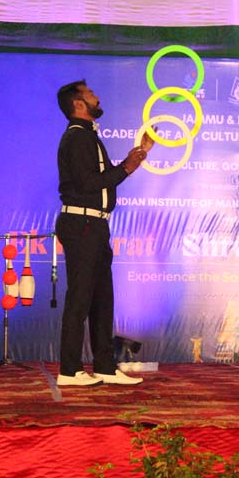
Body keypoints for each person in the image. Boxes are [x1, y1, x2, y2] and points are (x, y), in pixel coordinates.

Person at [54, 79, 154, 386]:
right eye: (91, 94)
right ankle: (69, 371)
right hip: (81, 223)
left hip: (95, 224)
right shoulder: (76, 137)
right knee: (80, 299)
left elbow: (103, 179)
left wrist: (135, 158)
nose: (97, 98)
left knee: (102, 300)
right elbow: (87, 183)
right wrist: (126, 167)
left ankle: (104, 367)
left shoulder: (88, 136)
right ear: (79, 104)